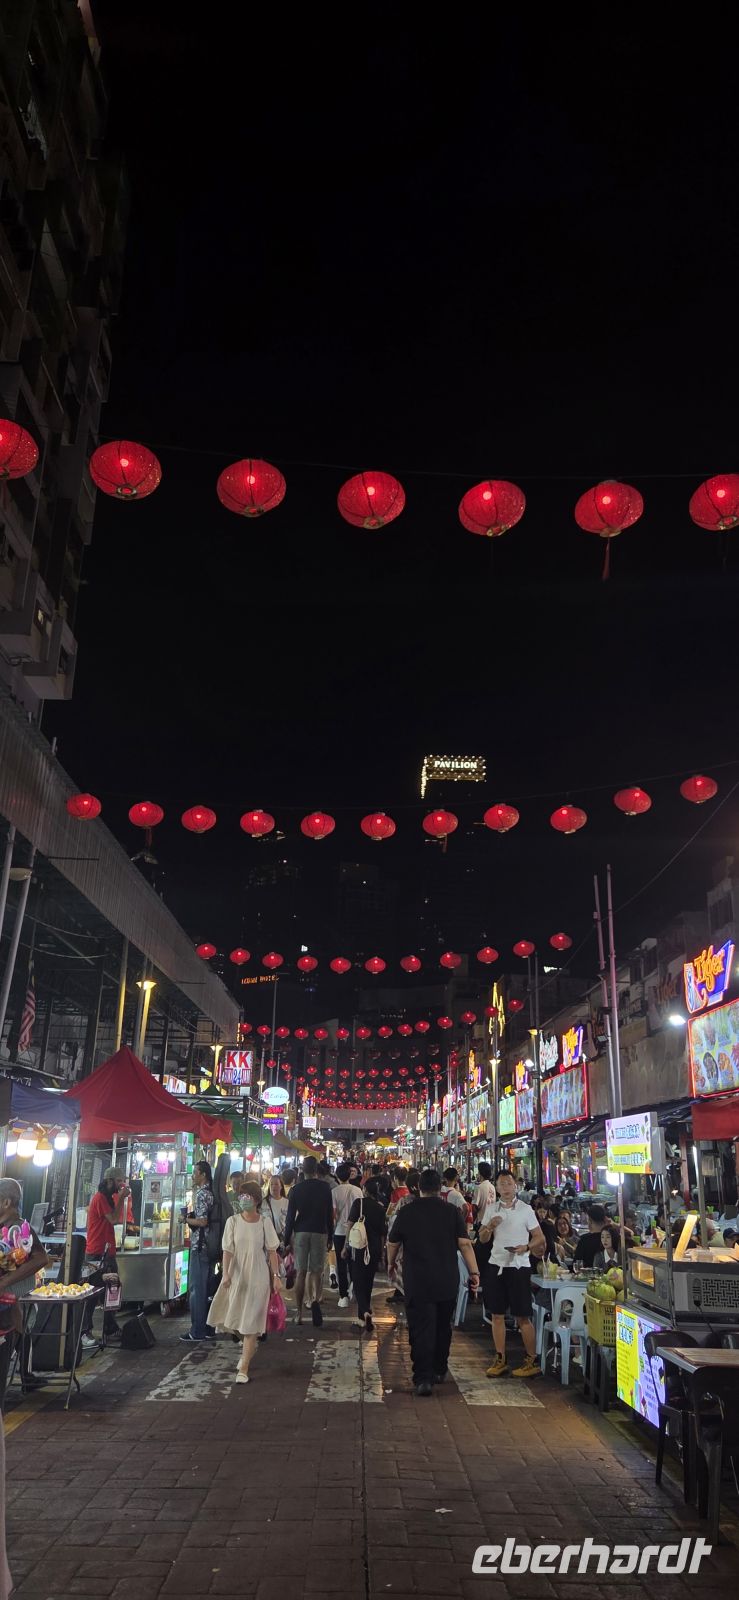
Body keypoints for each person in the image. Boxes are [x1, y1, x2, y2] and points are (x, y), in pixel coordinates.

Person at [387, 1168, 479, 1397]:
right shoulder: (451, 1212)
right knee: (442, 1325)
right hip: (446, 1279)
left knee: (420, 1328)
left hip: (417, 1280)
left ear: (418, 1188)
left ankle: (423, 1378)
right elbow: (465, 1244)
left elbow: (393, 1242)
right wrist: (474, 1272)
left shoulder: (407, 1212)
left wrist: (390, 1263)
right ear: (440, 1188)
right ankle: (439, 1368)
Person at [207, 1180, 281, 1382]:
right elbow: (227, 1250)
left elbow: (272, 1251)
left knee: (251, 1321)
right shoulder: (233, 1222)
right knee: (236, 1319)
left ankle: (244, 1368)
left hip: (258, 1277)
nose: (242, 1200)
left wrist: (275, 1276)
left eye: (246, 1197)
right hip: (237, 1275)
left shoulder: (264, 1222)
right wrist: (226, 1274)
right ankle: (251, 1345)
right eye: (240, 1196)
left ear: (256, 1200)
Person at [481, 1170, 545, 1379]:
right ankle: (500, 1358)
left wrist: (526, 1247)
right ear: (497, 1188)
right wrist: (490, 1227)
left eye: (509, 1183)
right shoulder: (491, 1209)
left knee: (522, 1316)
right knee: (497, 1315)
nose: (506, 1188)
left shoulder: (525, 1210)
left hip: (519, 1267)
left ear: (515, 1186)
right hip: (496, 1265)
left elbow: (539, 1237)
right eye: (502, 1184)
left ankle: (531, 1359)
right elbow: (481, 1239)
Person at [0, 1179, 50, 1406]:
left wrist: (7, 1280)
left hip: (8, 1305)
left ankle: (25, 1375)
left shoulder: (19, 1229)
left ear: (6, 1202)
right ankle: (26, 1375)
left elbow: (41, 1257)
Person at [283, 1155, 334, 1326]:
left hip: (301, 1232)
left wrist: (286, 1239)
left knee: (301, 1272)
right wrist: (331, 1236)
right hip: (320, 1231)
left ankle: (299, 1313)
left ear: (302, 1170)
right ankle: (314, 1299)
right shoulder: (325, 1188)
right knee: (316, 1271)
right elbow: (329, 1215)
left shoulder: (296, 1190)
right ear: (316, 1170)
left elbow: (290, 1217)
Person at [83, 1165, 130, 1345]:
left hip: (107, 1251)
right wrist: (122, 1199)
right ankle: (84, 1331)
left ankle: (110, 1328)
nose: (120, 1185)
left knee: (112, 1290)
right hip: (96, 1253)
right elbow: (113, 1218)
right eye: (118, 1181)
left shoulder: (108, 1197)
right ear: (109, 1181)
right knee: (92, 1293)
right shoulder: (101, 1198)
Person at [344, 1177, 387, 1331]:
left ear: (365, 1190)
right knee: (368, 1282)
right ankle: (362, 1316)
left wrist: (345, 1246)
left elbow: (349, 1226)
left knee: (357, 1280)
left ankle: (365, 1312)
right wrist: (382, 1254)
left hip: (359, 1247)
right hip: (374, 1249)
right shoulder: (381, 1208)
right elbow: (383, 1234)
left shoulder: (359, 1204)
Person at [181, 1159, 216, 1344]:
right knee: (207, 1289)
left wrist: (186, 1219)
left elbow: (203, 1221)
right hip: (209, 1246)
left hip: (200, 1246)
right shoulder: (211, 1192)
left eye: (195, 1172)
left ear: (203, 1174)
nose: (193, 1175)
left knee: (197, 1290)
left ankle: (198, 1330)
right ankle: (209, 1328)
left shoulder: (202, 1194)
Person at [332, 1162, 362, 1307]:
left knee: (341, 1264)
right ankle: (353, 1286)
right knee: (354, 1262)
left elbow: (333, 1214)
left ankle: (343, 1295)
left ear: (337, 1176)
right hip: (355, 1232)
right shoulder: (358, 1191)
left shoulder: (334, 1192)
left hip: (339, 1232)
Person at [572, 1203, 608, 1268]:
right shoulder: (611, 1237)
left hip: (588, 1276)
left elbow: (577, 1264)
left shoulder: (584, 1240)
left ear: (590, 1221)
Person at [264, 1175, 289, 1243]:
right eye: (271, 1184)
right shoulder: (263, 1203)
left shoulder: (287, 1203)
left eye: (276, 1184)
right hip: (266, 1239)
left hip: (281, 1240)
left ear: (281, 1186)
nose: (273, 1186)